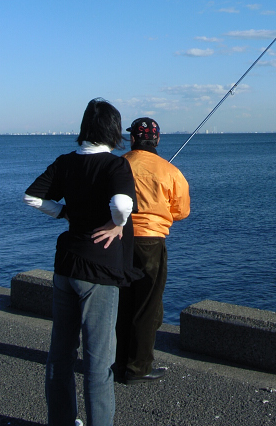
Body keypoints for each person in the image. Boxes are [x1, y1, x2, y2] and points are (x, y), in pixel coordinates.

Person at [24, 98, 140, 426]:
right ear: (115, 130)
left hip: (65, 266)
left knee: (60, 356)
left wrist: (62, 212)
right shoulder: (116, 166)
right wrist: (117, 224)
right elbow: (120, 203)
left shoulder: (64, 162)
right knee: (98, 364)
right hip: (99, 271)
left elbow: (32, 197)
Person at [115, 117, 190, 383]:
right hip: (151, 243)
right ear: (157, 140)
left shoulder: (118, 164)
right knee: (147, 306)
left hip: (119, 240)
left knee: (122, 303)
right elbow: (182, 212)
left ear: (132, 138)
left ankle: (118, 362)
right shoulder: (170, 171)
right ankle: (139, 368)